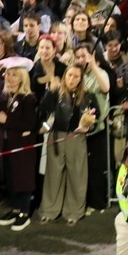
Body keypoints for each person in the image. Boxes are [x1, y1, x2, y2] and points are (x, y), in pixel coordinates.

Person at [37, 64, 99, 224]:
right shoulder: (55, 92)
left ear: (81, 79)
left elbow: (96, 118)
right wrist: (50, 91)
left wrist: (88, 127)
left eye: (76, 76)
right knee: (53, 175)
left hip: (77, 137)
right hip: (56, 136)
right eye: (69, 75)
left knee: (77, 175)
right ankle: (49, 209)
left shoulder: (88, 96)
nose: (72, 79)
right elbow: (43, 109)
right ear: (65, 76)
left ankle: (74, 211)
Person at [0, 64, 38, 230]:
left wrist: (7, 121)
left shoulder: (29, 98)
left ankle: (24, 213)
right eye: (8, 74)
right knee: (11, 177)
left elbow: (28, 124)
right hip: (7, 143)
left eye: (14, 75)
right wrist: (9, 122)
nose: (10, 78)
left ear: (22, 77)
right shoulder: (4, 96)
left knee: (23, 178)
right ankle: (15, 209)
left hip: (23, 146)